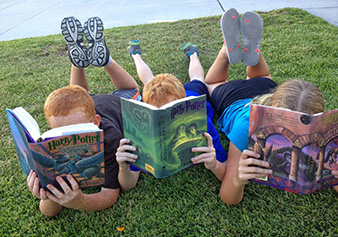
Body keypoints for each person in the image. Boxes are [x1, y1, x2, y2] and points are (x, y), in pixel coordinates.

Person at [203, 8, 326, 205]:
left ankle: (252, 52)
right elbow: (228, 196)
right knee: (211, 83)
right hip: (233, 100)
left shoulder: (325, 133)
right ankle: (227, 52)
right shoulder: (247, 128)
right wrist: (238, 179)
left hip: (265, 87)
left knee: (260, 78)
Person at [26, 16, 140, 217]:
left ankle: (106, 60)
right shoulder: (50, 149)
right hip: (88, 103)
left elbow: (110, 194)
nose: (69, 137)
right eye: (60, 131)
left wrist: (80, 201)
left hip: (119, 105)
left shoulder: (110, 136)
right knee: (80, 94)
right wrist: (46, 197)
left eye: (77, 131)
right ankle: (78, 62)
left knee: (131, 89)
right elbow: (47, 212)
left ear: (96, 123)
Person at [116, 41, 227, 190]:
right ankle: (136, 55)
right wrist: (123, 168)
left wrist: (214, 164)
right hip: (160, 96)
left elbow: (224, 172)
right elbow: (127, 185)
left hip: (191, 92)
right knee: (149, 82)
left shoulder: (203, 124)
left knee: (198, 80)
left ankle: (192, 53)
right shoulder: (141, 131)